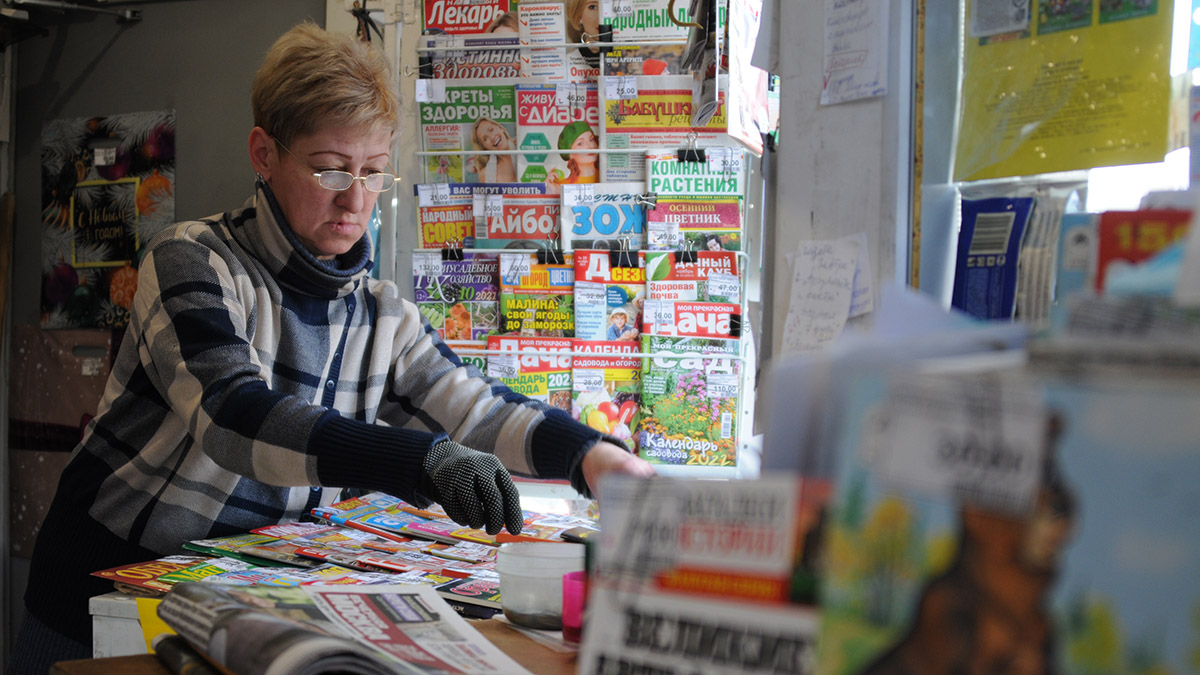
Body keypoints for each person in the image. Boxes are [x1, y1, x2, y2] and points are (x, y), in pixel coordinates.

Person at [11, 21, 654, 673]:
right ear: (264, 153)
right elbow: (235, 417)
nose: (356, 200)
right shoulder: (190, 260)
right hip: (103, 593)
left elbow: (473, 409)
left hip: (239, 593)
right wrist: (421, 460)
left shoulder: (380, 311)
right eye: (330, 169)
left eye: (373, 173)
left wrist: (594, 458)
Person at [549, 120, 599, 185]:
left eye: (591, 139)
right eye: (580, 143)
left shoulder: (607, 177)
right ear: (570, 154)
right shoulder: (563, 185)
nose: (590, 146)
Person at [468, 117, 516, 183]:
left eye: (491, 130)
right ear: (484, 147)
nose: (492, 137)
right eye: (485, 139)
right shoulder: (485, 174)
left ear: (500, 128)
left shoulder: (522, 146)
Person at [565, 0, 602, 66]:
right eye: (592, 7)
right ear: (578, 17)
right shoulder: (566, 63)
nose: (603, 16)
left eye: (610, 7)